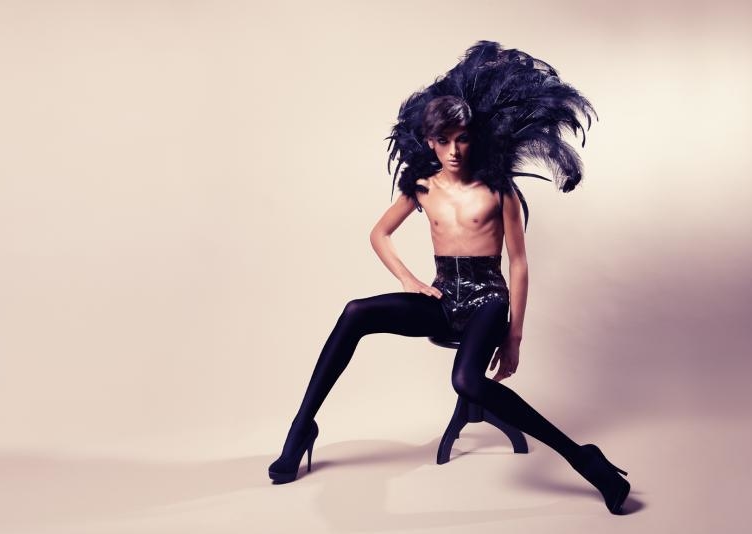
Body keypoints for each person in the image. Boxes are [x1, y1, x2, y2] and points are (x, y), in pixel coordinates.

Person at [268, 42, 630, 515]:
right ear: (430, 141)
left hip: (487, 301)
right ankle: (302, 428)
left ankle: (584, 459)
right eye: (444, 140)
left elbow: (519, 262)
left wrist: (515, 335)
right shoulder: (421, 187)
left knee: (465, 380)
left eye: (462, 139)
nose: (454, 150)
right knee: (356, 313)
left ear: (472, 137)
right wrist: (409, 280)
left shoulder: (499, 189)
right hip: (443, 298)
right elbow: (379, 234)